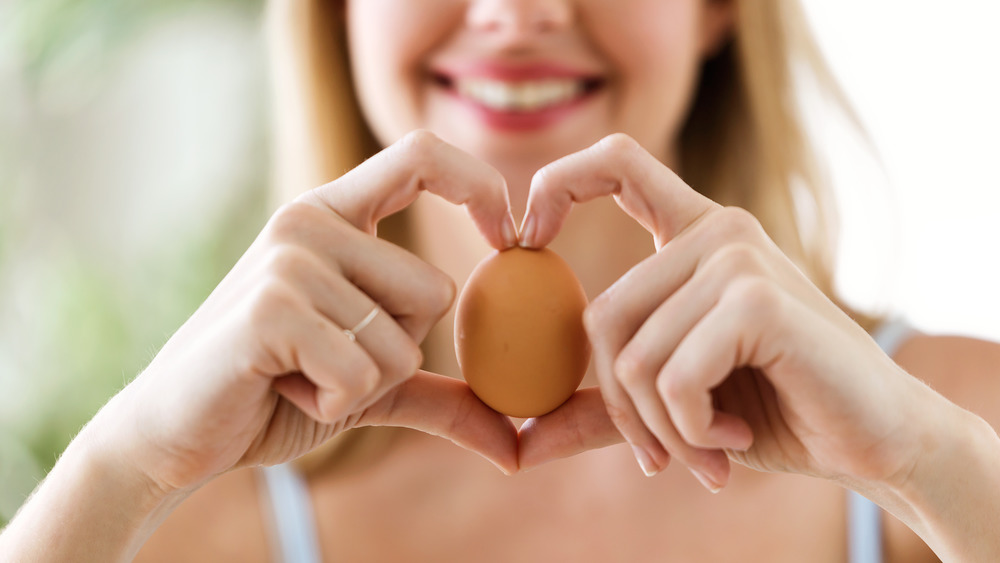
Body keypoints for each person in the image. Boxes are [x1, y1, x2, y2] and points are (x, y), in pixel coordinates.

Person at [2, 0, 999, 561]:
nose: (517, 15)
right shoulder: (198, 520)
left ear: (717, 12)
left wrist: (930, 468)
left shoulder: (954, 428)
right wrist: (117, 471)